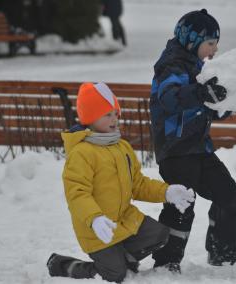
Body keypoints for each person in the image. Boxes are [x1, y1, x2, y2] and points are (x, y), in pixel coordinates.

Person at [47, 82, 195, 282]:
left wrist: (166, 192)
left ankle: (119, 260)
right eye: (107, 114)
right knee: (116, 275)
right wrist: (95, 218)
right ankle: (64, 265)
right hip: (97, 229)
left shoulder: (121, 147)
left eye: (115, 113)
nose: (114, 119)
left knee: (159, 234)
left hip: (124, 221)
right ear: (90, 117)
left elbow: (138, 184)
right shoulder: (82, 153)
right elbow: (77, 194)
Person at [149, 9, 236, 273]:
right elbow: (170, 98)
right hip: (175, 151)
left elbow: (200, 104)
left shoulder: (197, 67)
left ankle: (223, 251)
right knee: (181, 205)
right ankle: (166, 261)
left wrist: (222, 105)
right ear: (191, 40)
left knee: (227, 193)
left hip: (198, 149)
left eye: (216, 43)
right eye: (210, 43)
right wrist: (200, 92)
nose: (215, 49)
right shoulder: (171, 65)